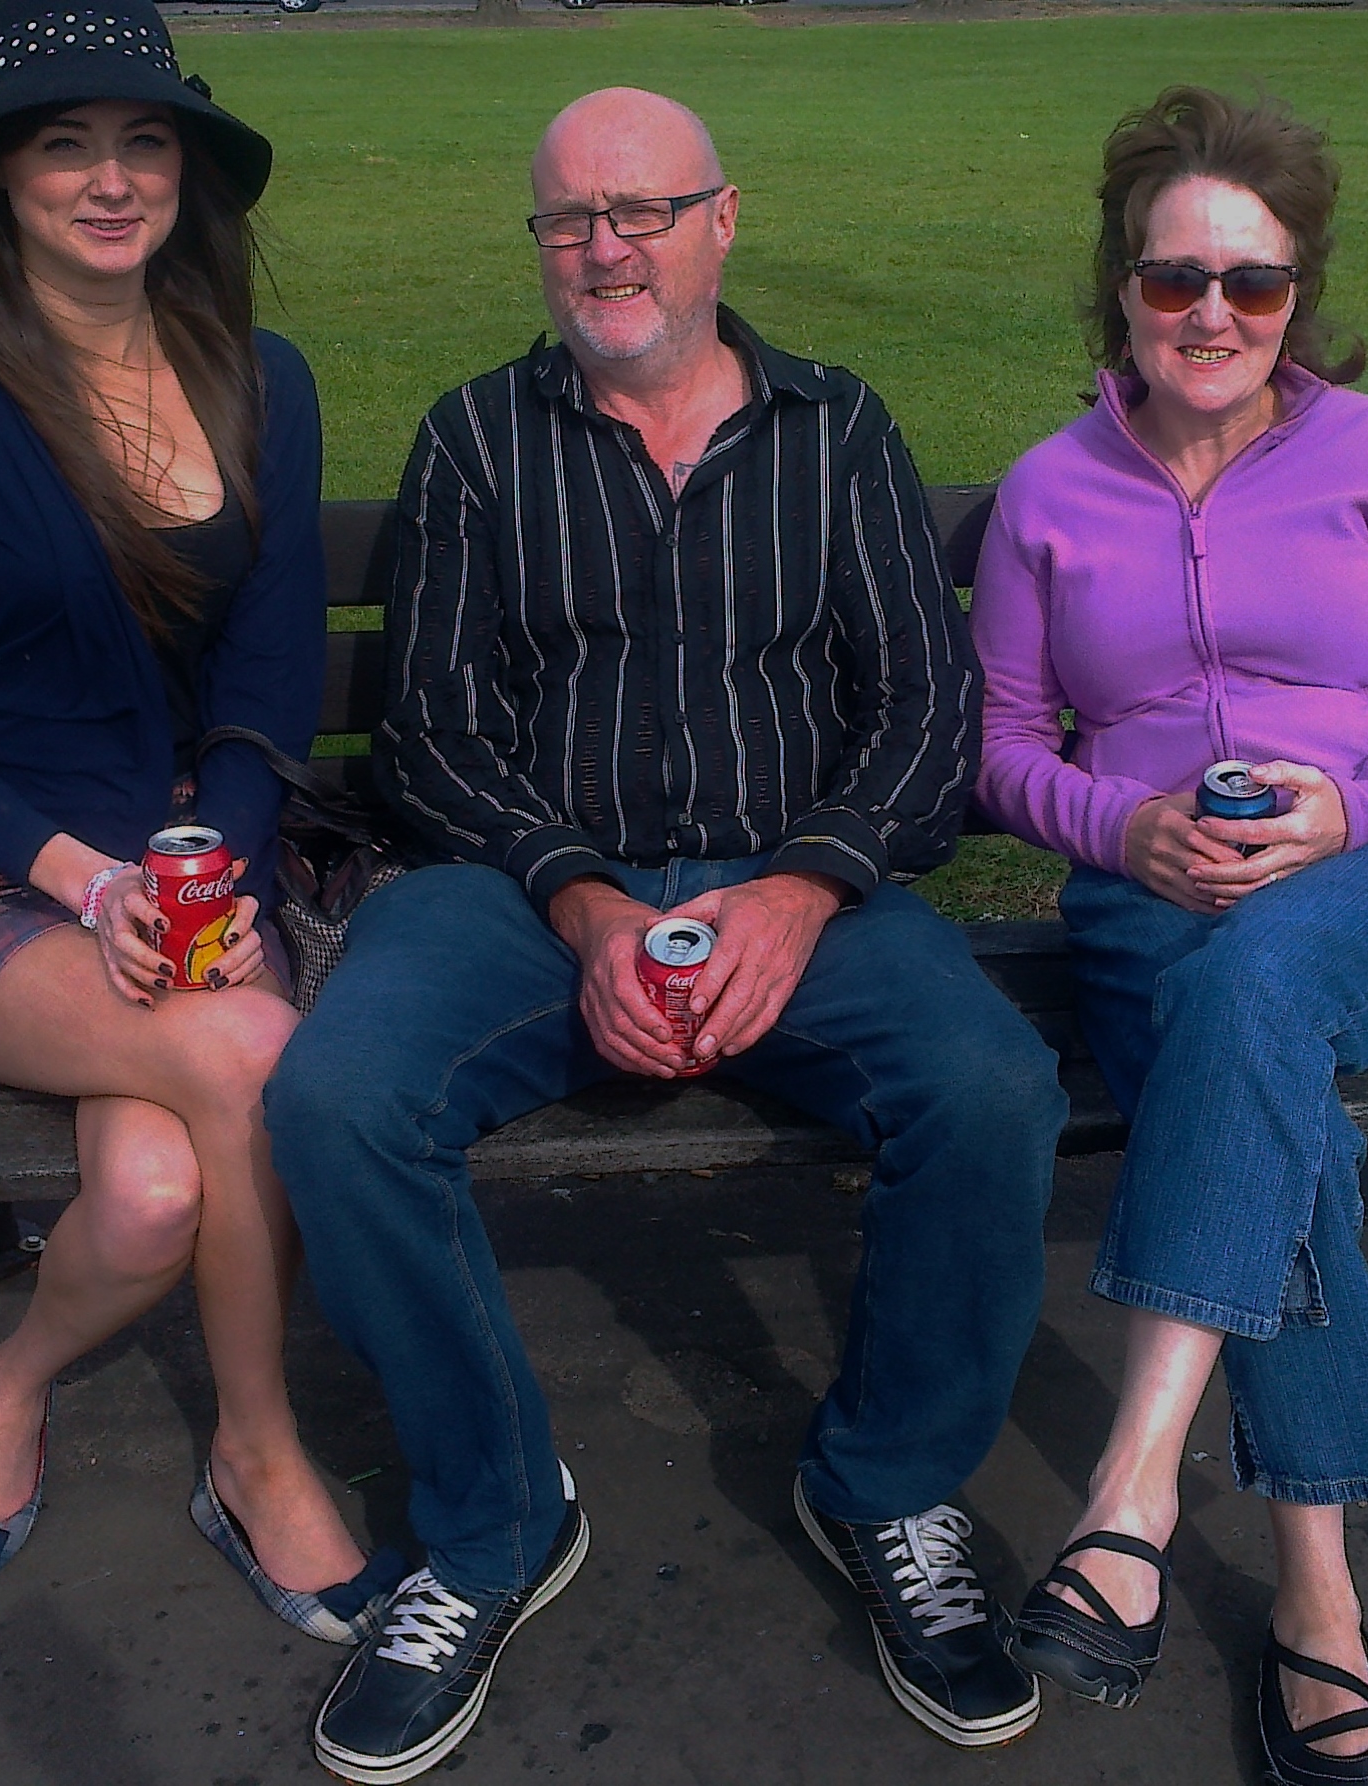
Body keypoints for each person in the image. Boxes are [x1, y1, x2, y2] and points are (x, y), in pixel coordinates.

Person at [263, 86, 1069, 1782]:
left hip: (799, 886)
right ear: (542, 244)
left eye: (642, 210)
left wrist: (799, 887)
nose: (605, 247)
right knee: (338, 1098)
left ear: (721, 220)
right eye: (570, 219)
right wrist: (587, 899)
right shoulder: (482, 436)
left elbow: (925, 710)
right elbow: (429, 732)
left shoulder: (834, 429)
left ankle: (886, 1485)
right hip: (526, 889)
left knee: (992, 1087)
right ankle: (491, 1524)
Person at [969, 87, 1368, 1784]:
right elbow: (1002, 747)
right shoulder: (1049, 489)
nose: (1213, 312)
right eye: (1174, 278)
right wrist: (1122, 824)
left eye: (1254, 282)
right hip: (1148, 890)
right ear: (1121, 290)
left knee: (1268, 985)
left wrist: (1349, 812)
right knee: (1260, 1070)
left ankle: (1134, 1488)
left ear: (1298, 297)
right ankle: (1316, 1598)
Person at [0, 0, 400, 1640]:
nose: (109, 177)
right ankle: (259, 1448)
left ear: (187, 174)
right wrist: (87, 881)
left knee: (153, 1194)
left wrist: (204, 865)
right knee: (245, 1061)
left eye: (143, 139)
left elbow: (269, 685)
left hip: (200, 862)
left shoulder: (259, 381)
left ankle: (10, 1383)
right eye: (65, 142)